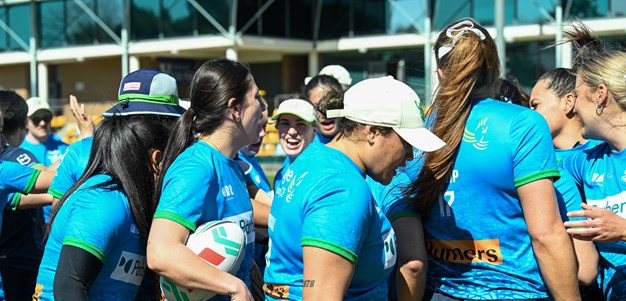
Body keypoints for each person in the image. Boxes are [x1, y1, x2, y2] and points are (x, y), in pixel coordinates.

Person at [406, 18, 580, 300]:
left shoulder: (419, 130)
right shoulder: (523, 124)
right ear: (496, 69)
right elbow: (546, 235)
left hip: (438, 292)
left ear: (440, 72)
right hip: (515, 291)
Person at [263, 76, 445, 300]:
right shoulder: (344, 189)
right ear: (372, 132)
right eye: (406, 143)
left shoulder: (312, 157)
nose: (409, 156)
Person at [34, 68, 185, 301]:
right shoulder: (105, 202)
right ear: (156, 160)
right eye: (176, 155)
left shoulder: (136, 195)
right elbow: (69, 288)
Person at [147, 58, 263, 301]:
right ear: (236, 109)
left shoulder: (231, 164)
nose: (263, 108)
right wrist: (234, 287)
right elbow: (160, 252)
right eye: (256, 98)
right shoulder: (196, 168)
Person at [558, 21, 626, 300]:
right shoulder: (588, 159)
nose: (572, 106)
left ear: (600, 95)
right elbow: (534, 162)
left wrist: (622, 230)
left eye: (576, 93)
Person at [529, 68, 602, 299]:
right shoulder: (531, 162)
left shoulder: (603, 155)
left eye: (535, 105)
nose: (528, 115)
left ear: (568, 102)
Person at [0, 91, 50, 301]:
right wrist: (83, 142)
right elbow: (49, 180)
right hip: (20, 259)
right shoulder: (11, 161)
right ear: (24, 124)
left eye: (46, 119)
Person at [20, 97, 68, 222]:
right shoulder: (20, 150)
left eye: (46, 118)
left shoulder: (62, 145)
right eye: (36, 119)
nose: (42, 123)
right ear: (26, 122)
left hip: (63, 218)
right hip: (36, 220)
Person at [272, 98, 317, 187]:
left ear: (314, 132)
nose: (292, 132)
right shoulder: (281, 175)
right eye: (285, 123)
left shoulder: (321, 172)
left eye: (300, 124)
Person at [304, 75, 343, 144]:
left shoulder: (362, 144)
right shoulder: (301, 148)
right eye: (316, 107)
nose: (324, 113)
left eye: (330, 105)